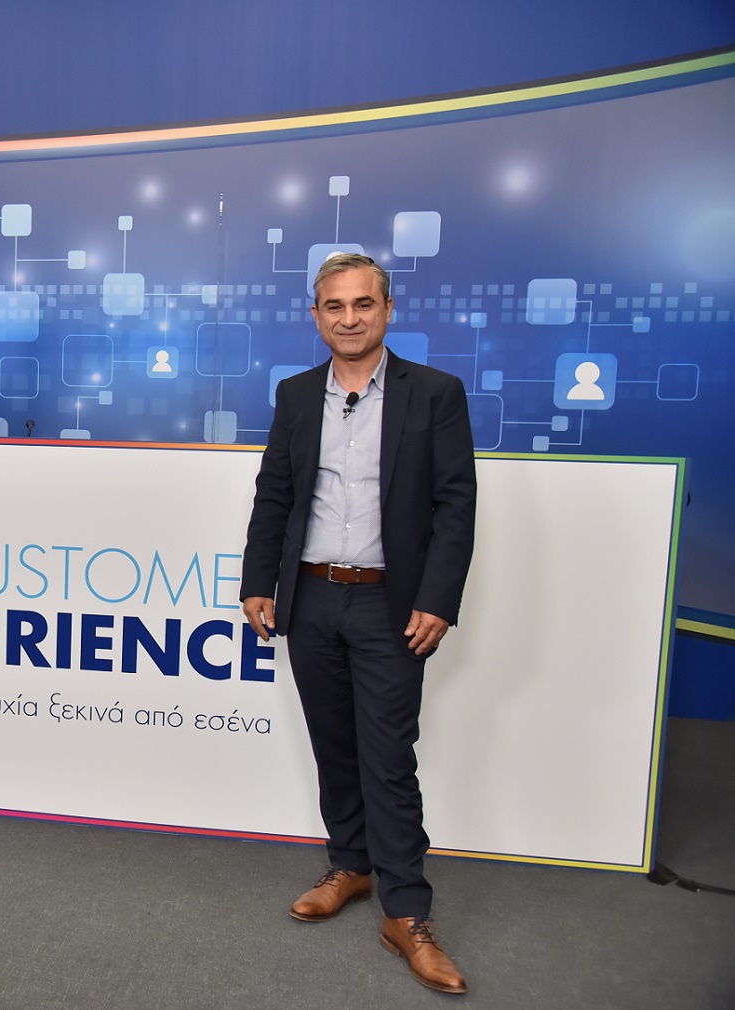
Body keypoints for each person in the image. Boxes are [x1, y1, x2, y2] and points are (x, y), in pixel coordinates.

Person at [240, 253, 476, 994]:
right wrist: (257, 582)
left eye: (363, 304)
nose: (349, 318)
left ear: (387, 309)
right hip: (310, 598)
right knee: (334, 745)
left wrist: (437, 599)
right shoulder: (295, 394)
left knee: (387, 757)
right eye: (334, 306)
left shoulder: (434, 393)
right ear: (316, 316)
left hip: (389, 604)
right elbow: (275, 494)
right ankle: (350, 864)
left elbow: (456, 503)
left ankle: (406, 912)